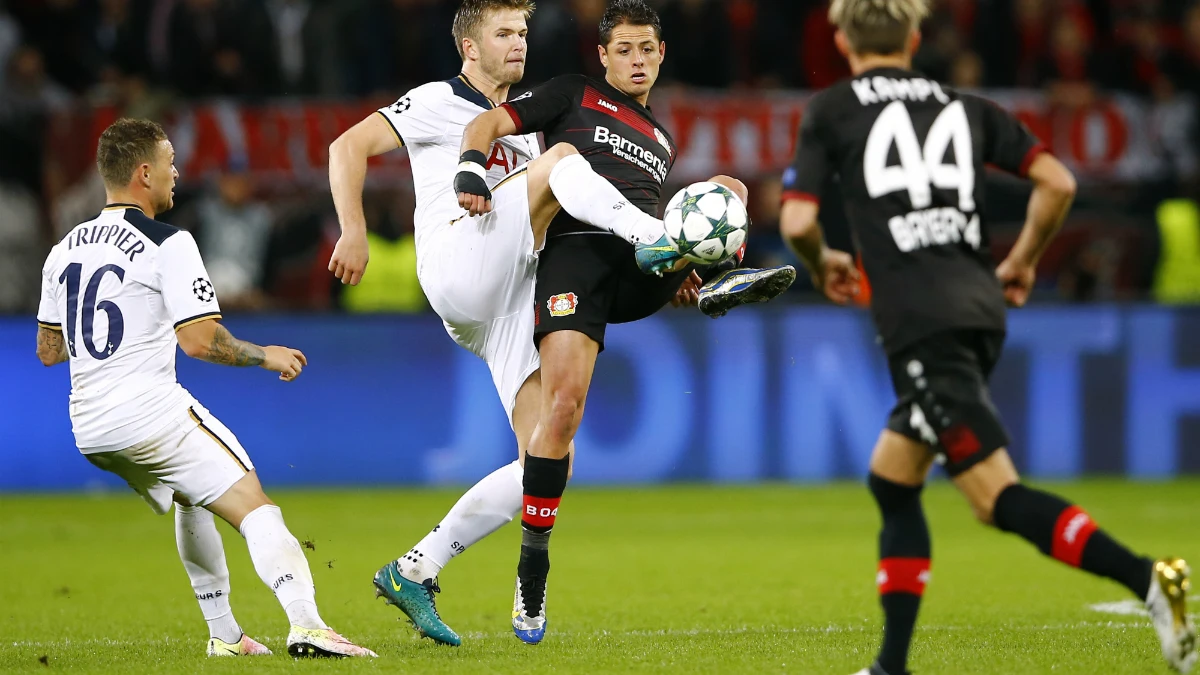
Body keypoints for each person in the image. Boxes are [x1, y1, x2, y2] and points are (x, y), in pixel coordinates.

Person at [776, 2, 1197, 674]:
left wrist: (821, 257)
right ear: (915, 39)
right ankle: (890, 666)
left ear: (840, 38)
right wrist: (1025, 257)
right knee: (893, 478)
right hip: (977, 305)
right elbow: (1057, 182)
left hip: (922, 322)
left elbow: (796, 218)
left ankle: (1151, 579)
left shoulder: (833, 108)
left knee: (994, 498)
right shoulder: (966, 107)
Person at [327, 0, 710, 647]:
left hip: (507, 294)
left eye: (524, 31)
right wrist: (354, 230)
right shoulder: (438, 102)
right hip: (457, 256)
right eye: (504, 33)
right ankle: (657, 235)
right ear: (470, 49)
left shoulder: (531, 122)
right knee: (561, 164)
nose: (519, 43)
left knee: (549, 454)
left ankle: (414, 569)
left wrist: (662, 277)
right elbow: (347, 146)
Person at [453, 0, 796, 645]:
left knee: (731, 186)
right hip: (575, 258)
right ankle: (532, 571)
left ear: (660, 56)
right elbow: (486, 124)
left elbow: (667, 203)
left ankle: (707, 274)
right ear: (605, 56)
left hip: (641, 262)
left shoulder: (661, 140)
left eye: (647, 50)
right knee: (563, 408)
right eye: (625, 50)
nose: (637, 61)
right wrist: (470, 166)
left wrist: (674, 268)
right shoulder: (571, 93)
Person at [35, 118, 375, 659]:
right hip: (148, 412)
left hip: (90, 427)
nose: (177, 172)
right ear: (144, 173)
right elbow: (197, 341)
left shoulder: (63, 250)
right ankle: (308, 625)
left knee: (194, 498)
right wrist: (266, 355)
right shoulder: (166, 242)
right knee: (256, 507)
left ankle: (225, 636)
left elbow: (49, 352)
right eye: (170, 162)